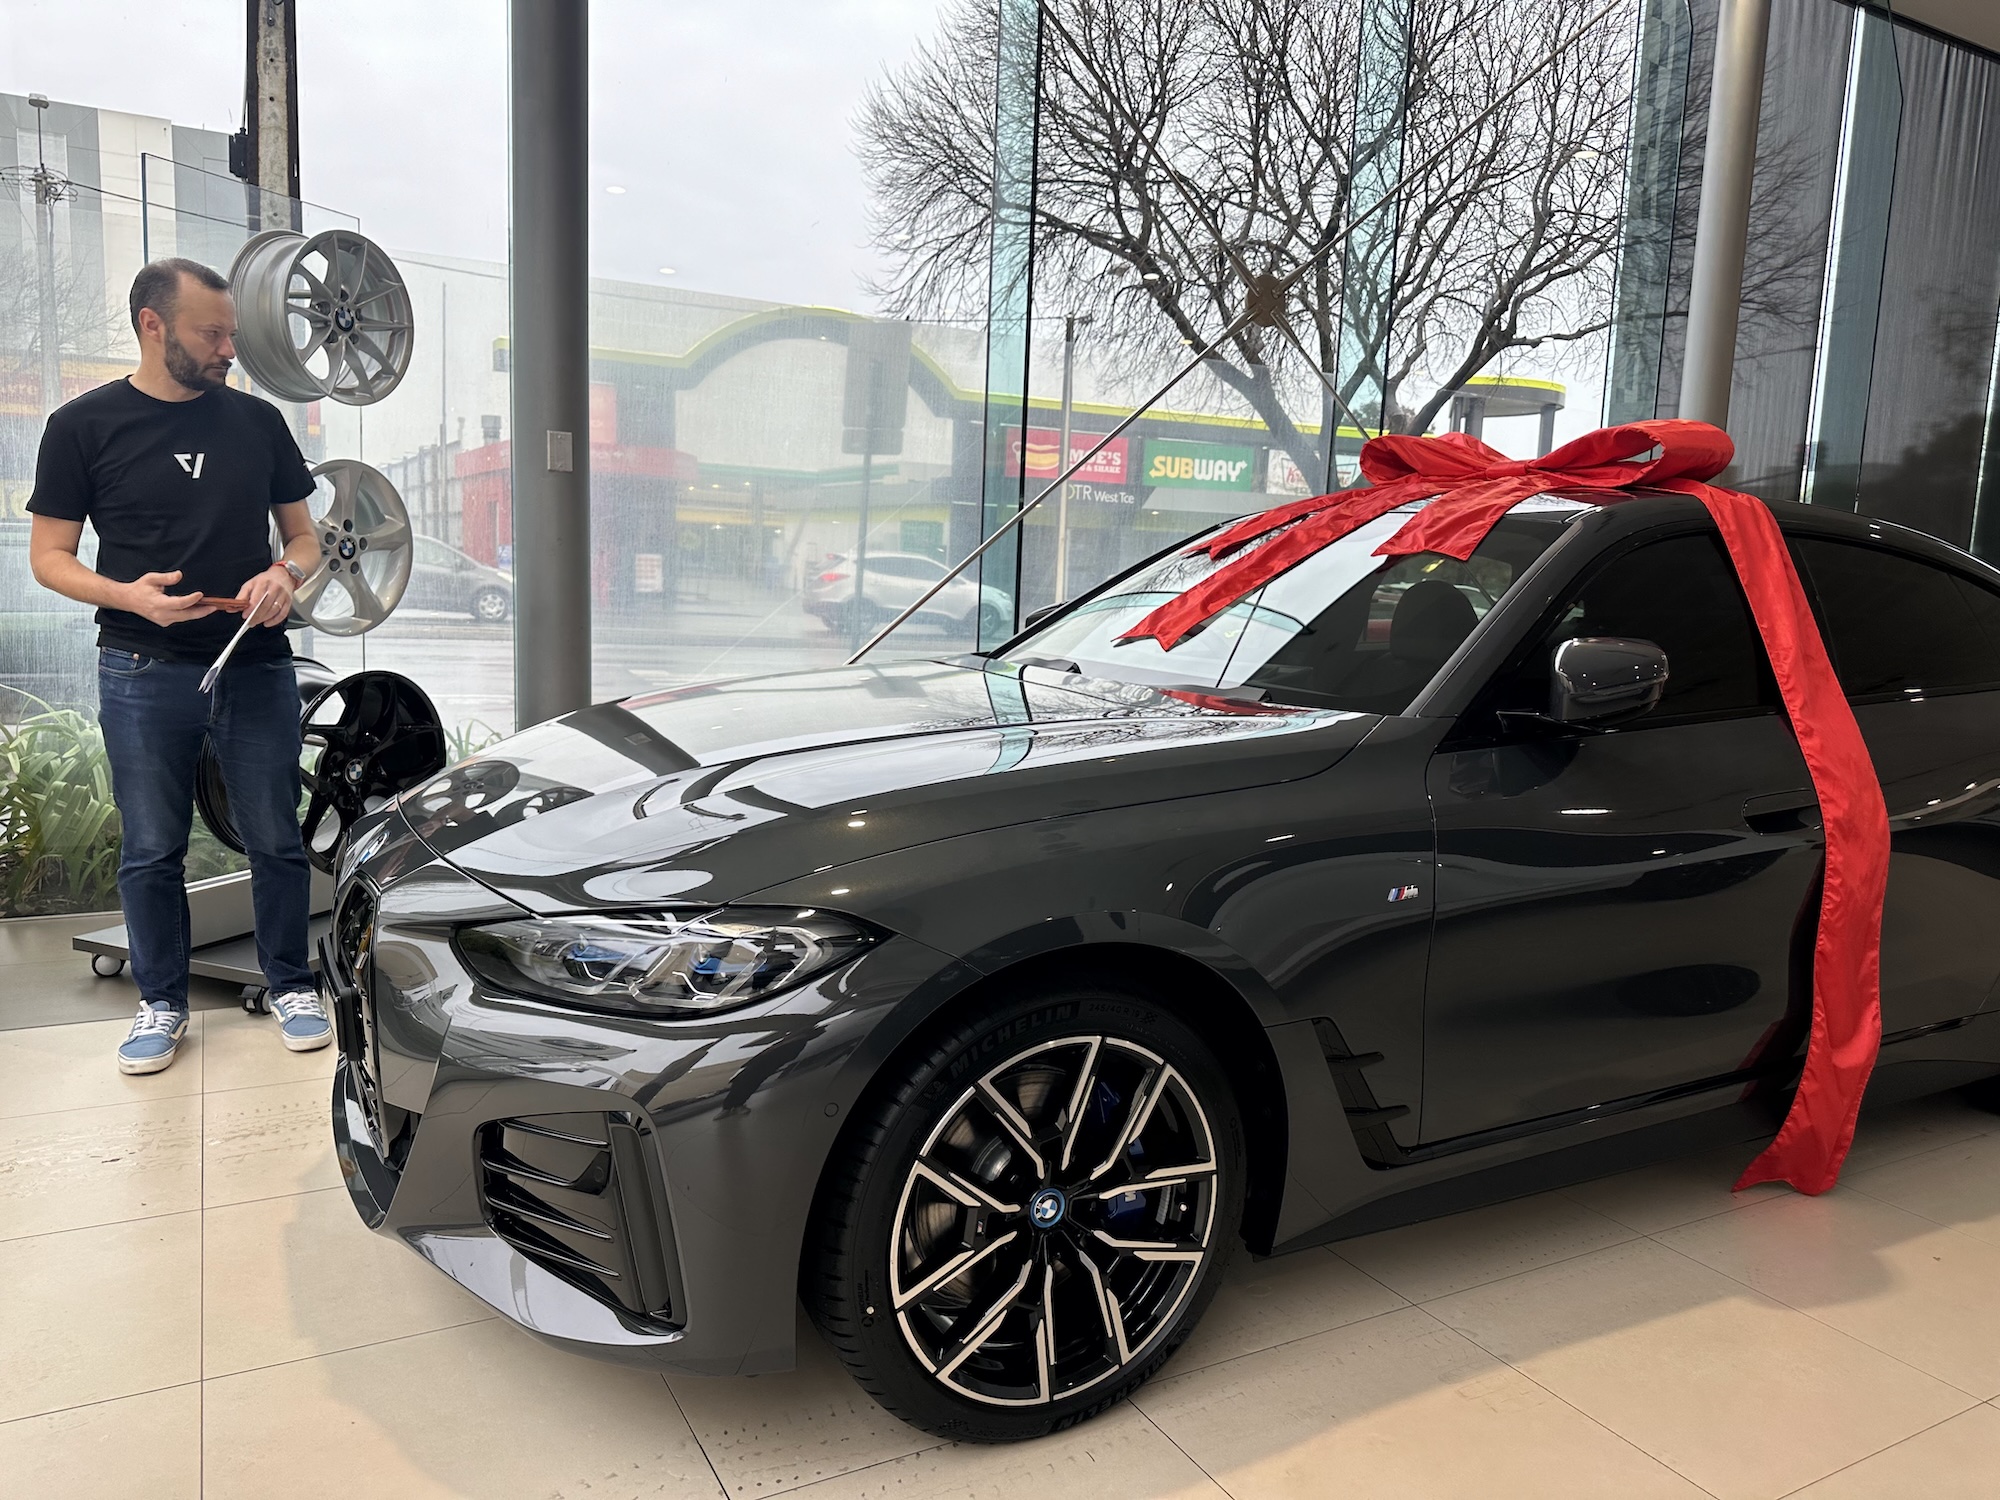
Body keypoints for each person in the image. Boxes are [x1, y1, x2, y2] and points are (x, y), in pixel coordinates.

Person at [26, 258, 332, 1074]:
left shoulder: (259, 423)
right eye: (211, 333)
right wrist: (127, 596)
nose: (229, 348)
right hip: (140, 665)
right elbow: (49, 558)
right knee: (152, 845)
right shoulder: (81, 426)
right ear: (152, 326)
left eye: (230, 332)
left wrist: (285, 575)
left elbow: (305, 539)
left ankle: (291, 982)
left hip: (255, 661)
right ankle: (161, 1002)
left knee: (276, 836)